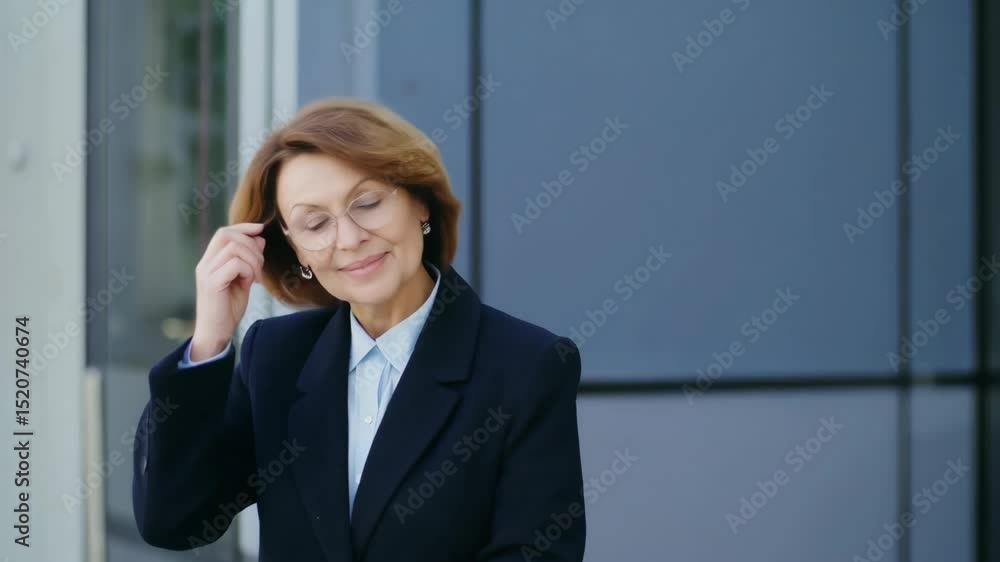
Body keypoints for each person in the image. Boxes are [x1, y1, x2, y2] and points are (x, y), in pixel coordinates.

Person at [131, 97, 586, 561]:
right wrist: (210, 338)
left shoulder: (526, 366)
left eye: (367, 203)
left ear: (420, 202)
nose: (348, 239)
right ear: (295, 249)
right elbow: (175, 519)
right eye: (315, 224)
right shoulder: (275, 356)